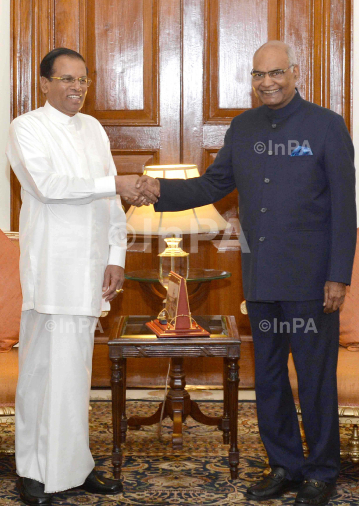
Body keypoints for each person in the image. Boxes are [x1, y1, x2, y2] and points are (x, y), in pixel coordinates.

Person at [136, 41, 357, 506]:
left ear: (295, 73)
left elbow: (344, 208)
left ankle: (321, 471)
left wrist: (339, 276)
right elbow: (213, 185)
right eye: (259, 75)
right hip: (260, 280)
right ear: (252, 79)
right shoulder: (243, 127)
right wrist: (154, 190)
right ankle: (284, 466)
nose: (268, 82)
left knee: (315, 380)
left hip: (313, 282)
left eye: (276, 73)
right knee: (270, 379)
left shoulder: (326, 126)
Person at [6, 47, 159, 506]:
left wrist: (116, 257)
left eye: (83, 80)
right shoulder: (25, 128)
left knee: (75, 375)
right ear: (45, 83)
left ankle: (75, 466)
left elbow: (111, 203)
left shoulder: (92, 128)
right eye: (67, 79)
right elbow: (47, 187)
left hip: (91, 271)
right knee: (40, 374)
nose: (77, 88)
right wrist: (114, 183)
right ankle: (33, 472)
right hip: (52, 270)